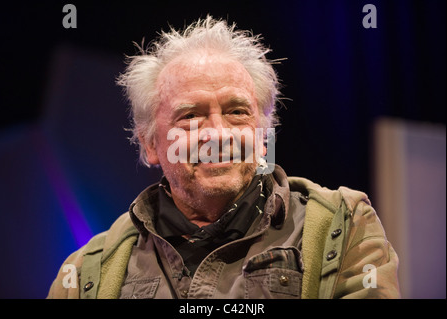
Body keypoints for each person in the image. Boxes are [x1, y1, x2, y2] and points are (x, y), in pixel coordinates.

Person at [47, 16, 400, 299]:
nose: (217, 133)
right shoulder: (85, 273)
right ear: (151, 144)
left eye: (236, 112)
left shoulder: (343, 223)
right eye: (190, 116)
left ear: (264, 136)